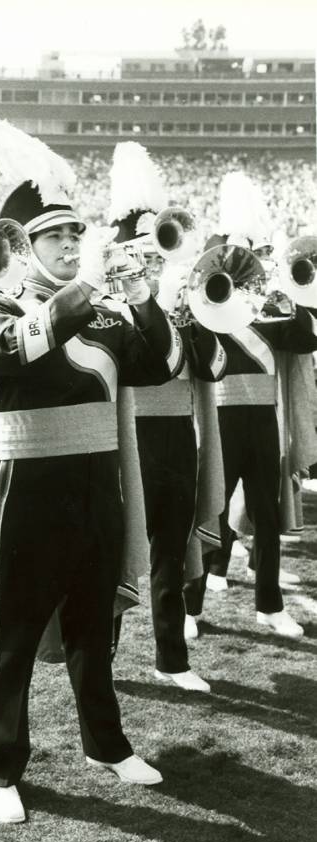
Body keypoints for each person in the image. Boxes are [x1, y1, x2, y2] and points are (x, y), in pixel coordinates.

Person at [0, 120, 183, 825]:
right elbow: (9, 351)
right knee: (16, 637)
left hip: (95, 488)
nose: (67, 247)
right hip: (24, 491)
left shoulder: (104, 312)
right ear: (23, 247)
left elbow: (162, 368)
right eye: (53, 239)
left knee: (95, 629)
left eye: (72, 237)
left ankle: (106, 743)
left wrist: (149, 289)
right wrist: (88, 284)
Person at [106, 142, 226, 693]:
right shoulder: (106, 308)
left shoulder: (182, 304)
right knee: (108, 549)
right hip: (123, 437)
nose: (154, 264)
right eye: (142, 254)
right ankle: (98, 655)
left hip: (177, 436)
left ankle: (171, 659)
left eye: (158, 255)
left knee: (170, 553)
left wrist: (200, 313)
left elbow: (213, 370)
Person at [183, 172, 317, 639]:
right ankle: (190, 608)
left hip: (262, 422)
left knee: (267, 512)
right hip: (219, 423)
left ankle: (269, 606)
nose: (243, 276)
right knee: (213, 514)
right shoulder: (206, 310)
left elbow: (306, 338)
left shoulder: (270, 311)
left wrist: (294, 295)